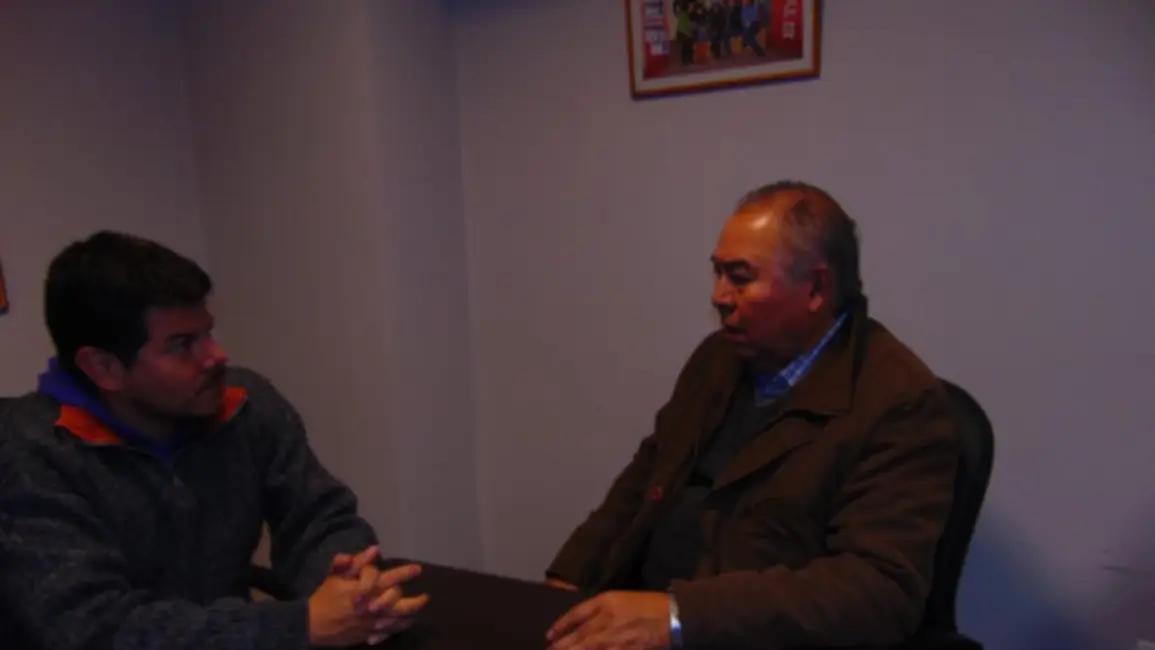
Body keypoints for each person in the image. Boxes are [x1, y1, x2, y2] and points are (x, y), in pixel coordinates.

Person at [542, 181, 960, 649]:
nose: (719, 296)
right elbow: (644, 481)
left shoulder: (900, 404)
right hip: (642, 621)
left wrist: (679, 617)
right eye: (717, 273)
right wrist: (565, 584)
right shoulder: (718, 358)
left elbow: (877, 592)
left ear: (816, 288)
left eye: (740, 278)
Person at [0, 231, 428, 650]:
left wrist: (355, 588)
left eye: (208, 332)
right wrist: (300, 626)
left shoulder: (244, 403)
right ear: (103, 367)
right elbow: (94, 630)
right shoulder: (29, 456)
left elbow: (317, 517)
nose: (217, 356)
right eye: (182, 345)